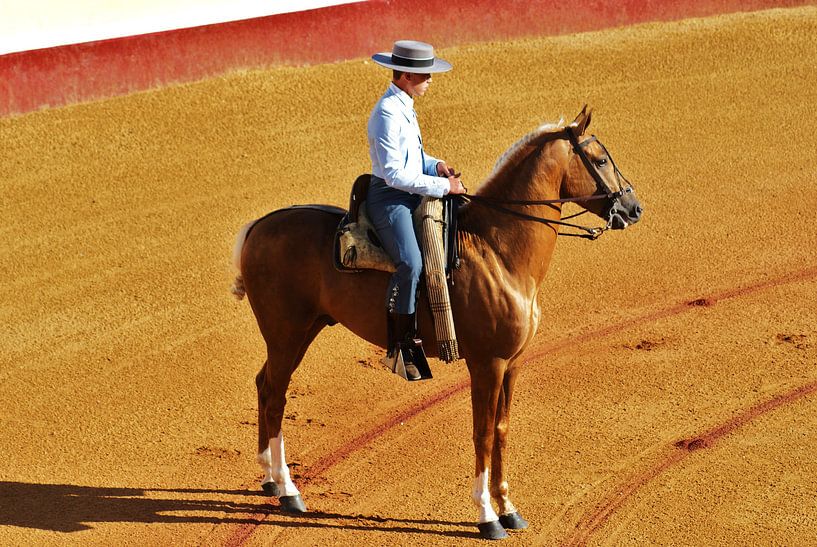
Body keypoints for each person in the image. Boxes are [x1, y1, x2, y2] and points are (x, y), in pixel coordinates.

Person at [367, 40, 466, 380]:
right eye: (426, 74)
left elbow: (414, 159)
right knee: (410, 263)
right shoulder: (386, 114)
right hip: (390, 198)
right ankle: (402, 342)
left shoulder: (405, 105)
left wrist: (436, 165)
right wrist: (443, 186)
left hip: (410, 189)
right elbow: (394, 174)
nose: (430, 80)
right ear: (407, 75)